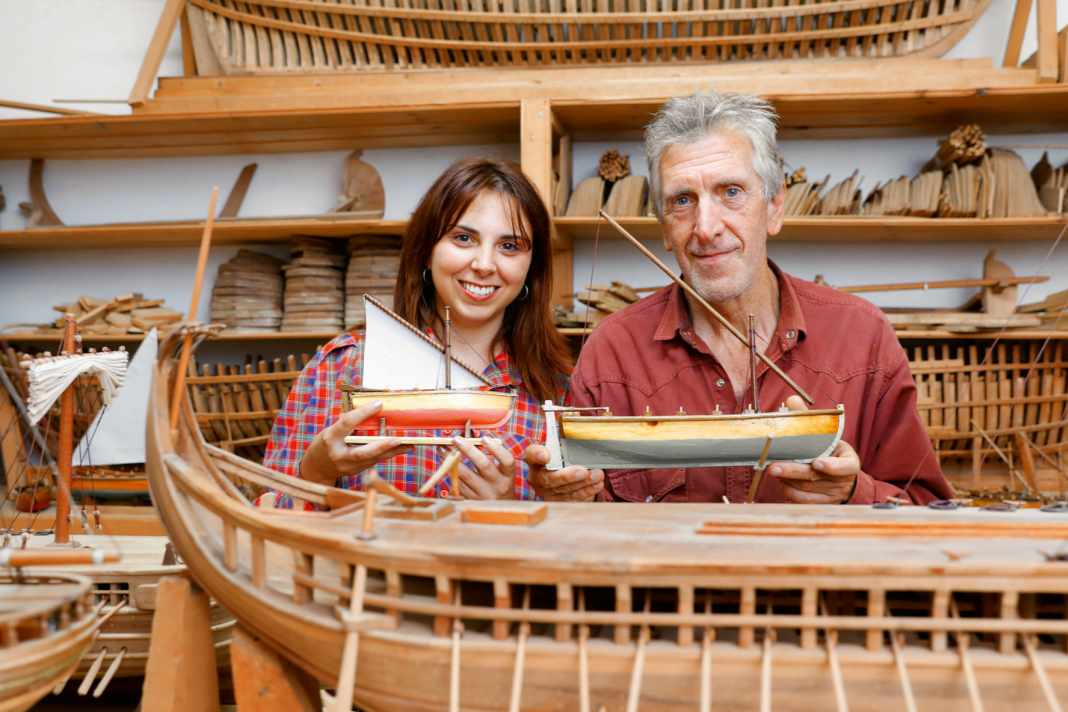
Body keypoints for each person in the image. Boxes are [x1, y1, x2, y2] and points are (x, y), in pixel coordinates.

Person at [526, 90, 953, 505]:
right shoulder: (612, 350)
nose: (706, 226)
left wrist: (850, 493)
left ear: (774, 208)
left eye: (731, 192)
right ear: (663, 228)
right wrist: (566, 496)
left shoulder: (862, 337)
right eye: (682, 200)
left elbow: (928, 507)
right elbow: (583, 528)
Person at [263, 158, 574, 506]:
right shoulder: (342, 365)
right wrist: (316, 473)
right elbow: (268, 525)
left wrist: (512, 510)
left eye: (509, 246)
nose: (484, 265)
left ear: (531, 268)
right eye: (463, 238)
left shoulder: (556, 392)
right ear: (426, 251)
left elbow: (571, 544)